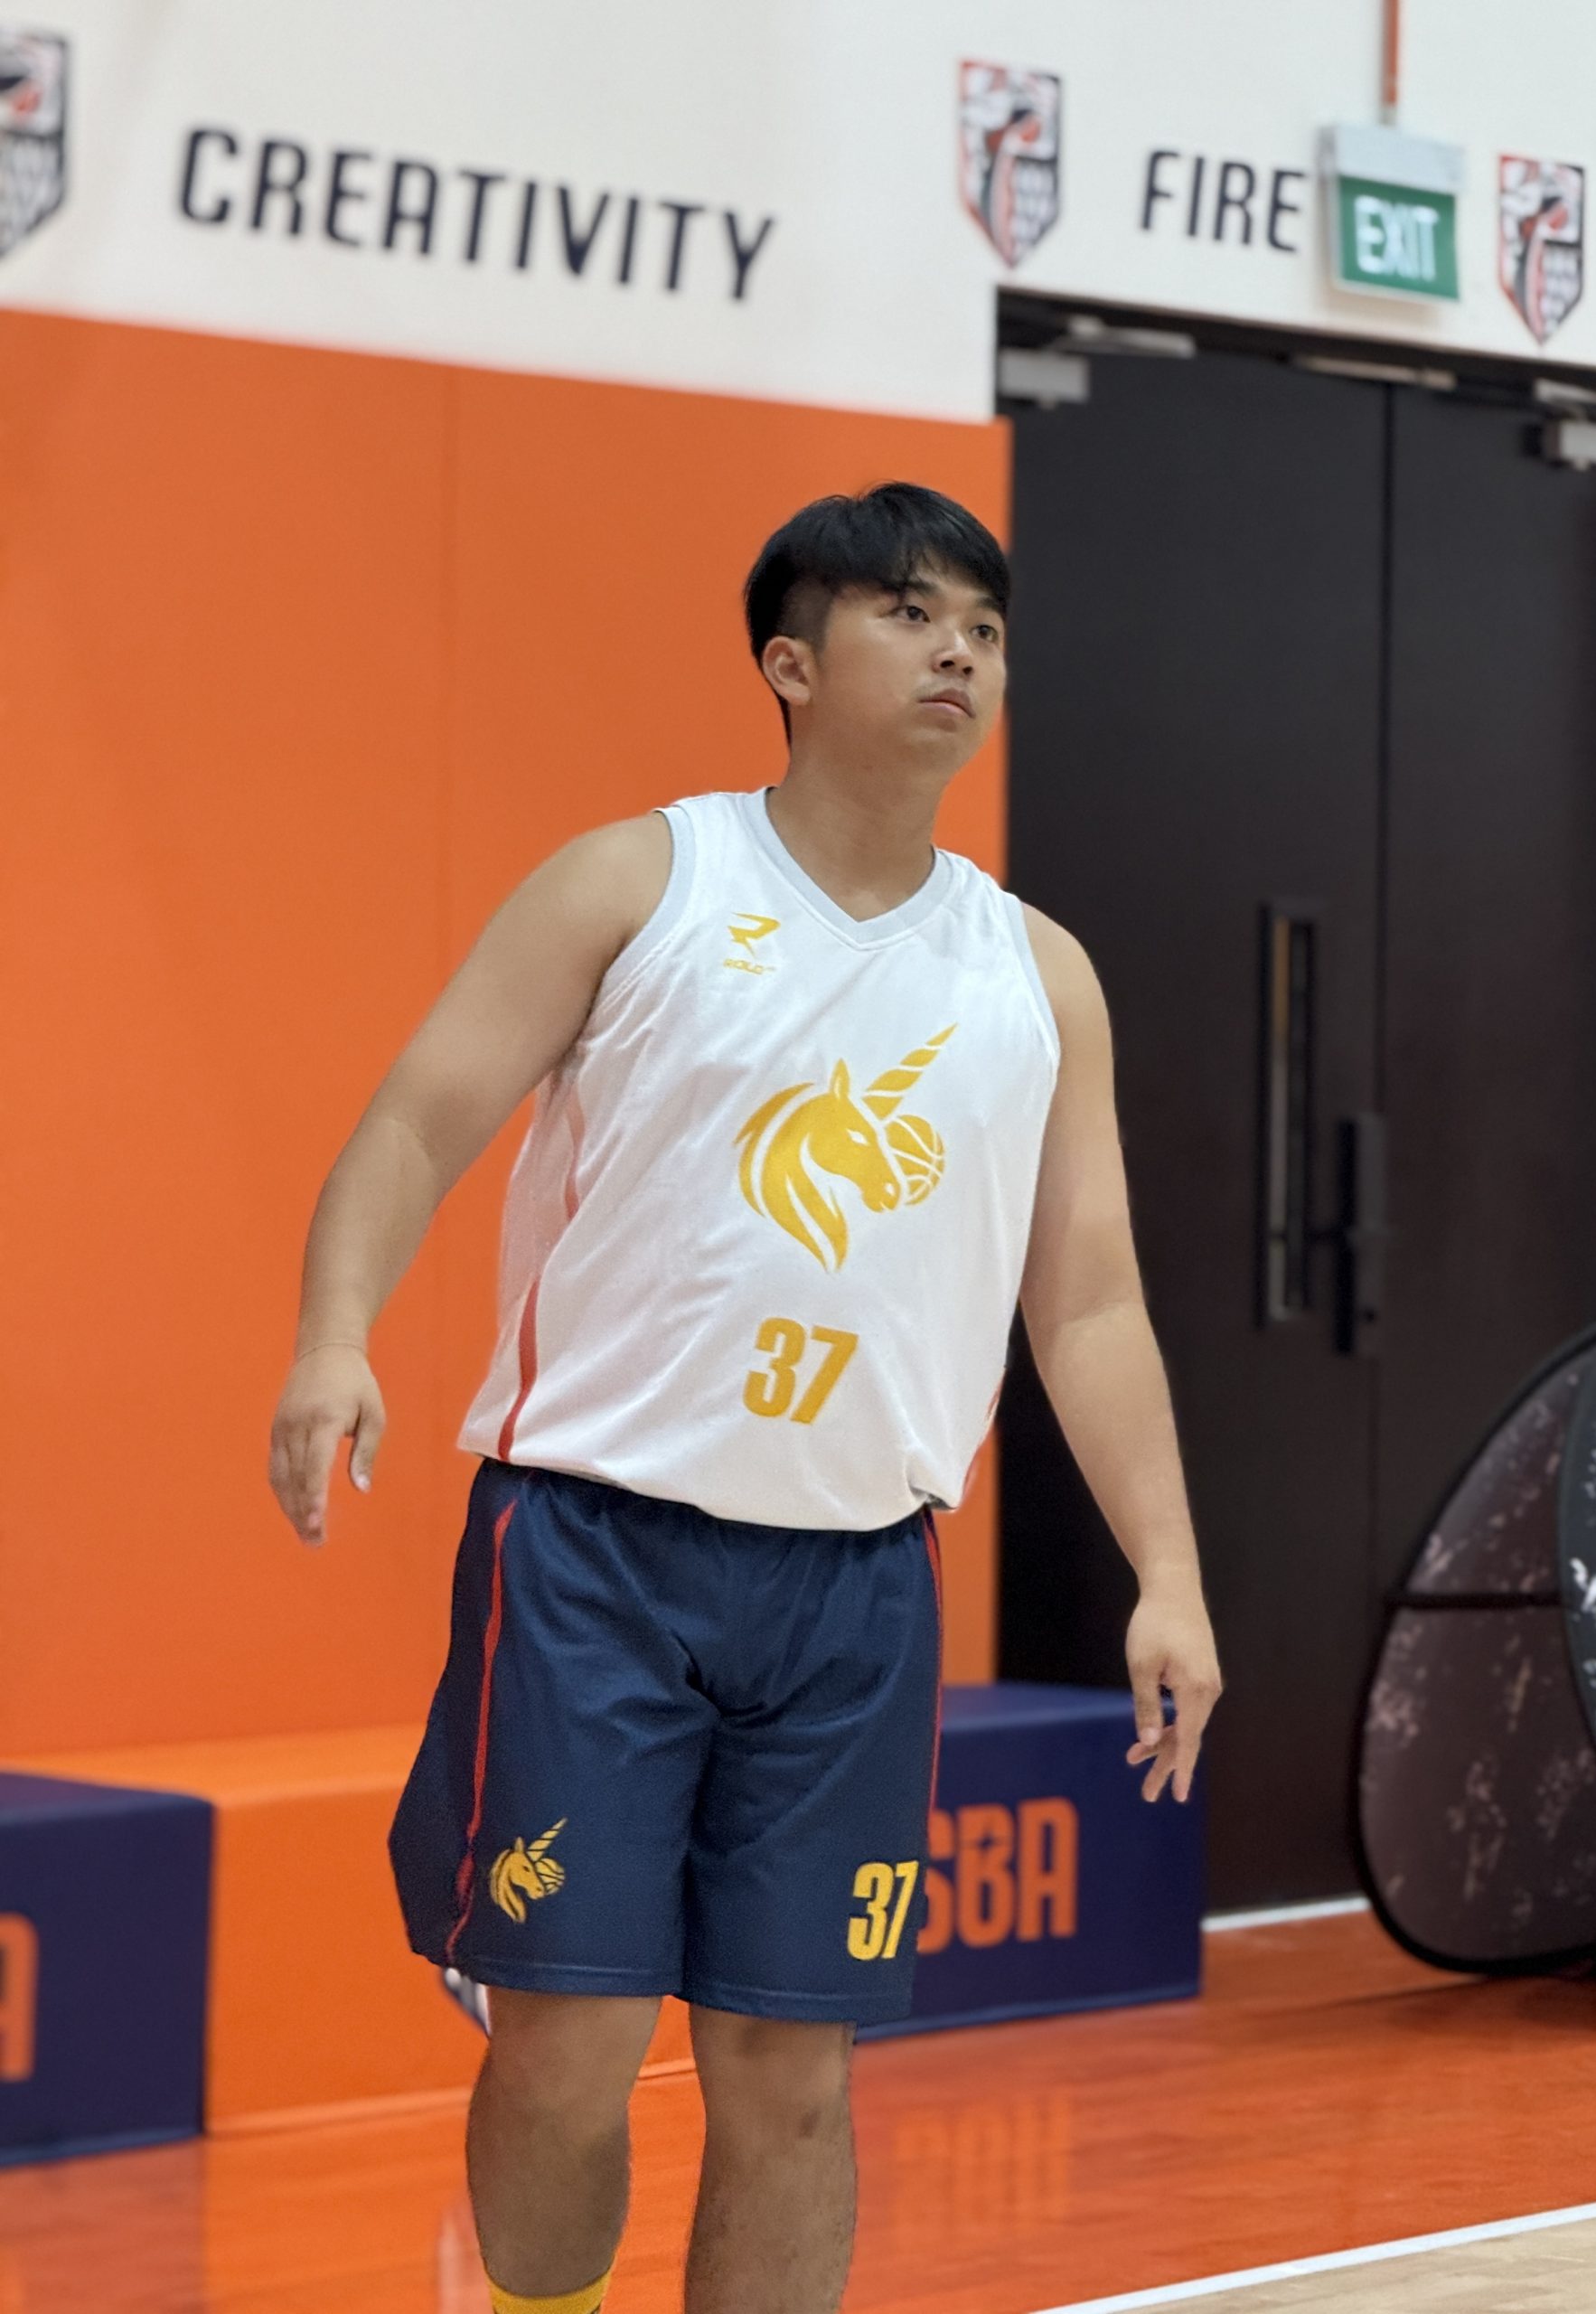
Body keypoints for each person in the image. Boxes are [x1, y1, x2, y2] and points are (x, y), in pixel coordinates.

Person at [268, 482, 1221, 2314]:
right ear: (790, 663)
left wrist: (1166, 1569)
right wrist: (334, 1333)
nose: (959, 652)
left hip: (857, 1585)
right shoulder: (641, 882)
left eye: (985, 627)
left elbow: (1090, 1296)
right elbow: (413, 1121)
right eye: (910, 613)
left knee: (792, 2076)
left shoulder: (1038, 975)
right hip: (593, 1555)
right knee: (570, 2044)